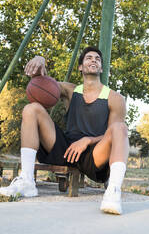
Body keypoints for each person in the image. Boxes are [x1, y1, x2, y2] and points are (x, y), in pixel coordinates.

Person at [0, 46, 129, 214]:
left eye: (97, 59)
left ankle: (113, 192)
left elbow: (113, 134)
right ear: (81, 67)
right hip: (66, 148)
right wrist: (40, 59)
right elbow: (44, 84)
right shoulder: (70, 90)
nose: (93, 60)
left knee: (120, 128)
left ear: (102, 68)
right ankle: (27, 181)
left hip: (93, 153)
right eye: (89, 58)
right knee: (31, 109)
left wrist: (88, 140)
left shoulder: (115, 98)